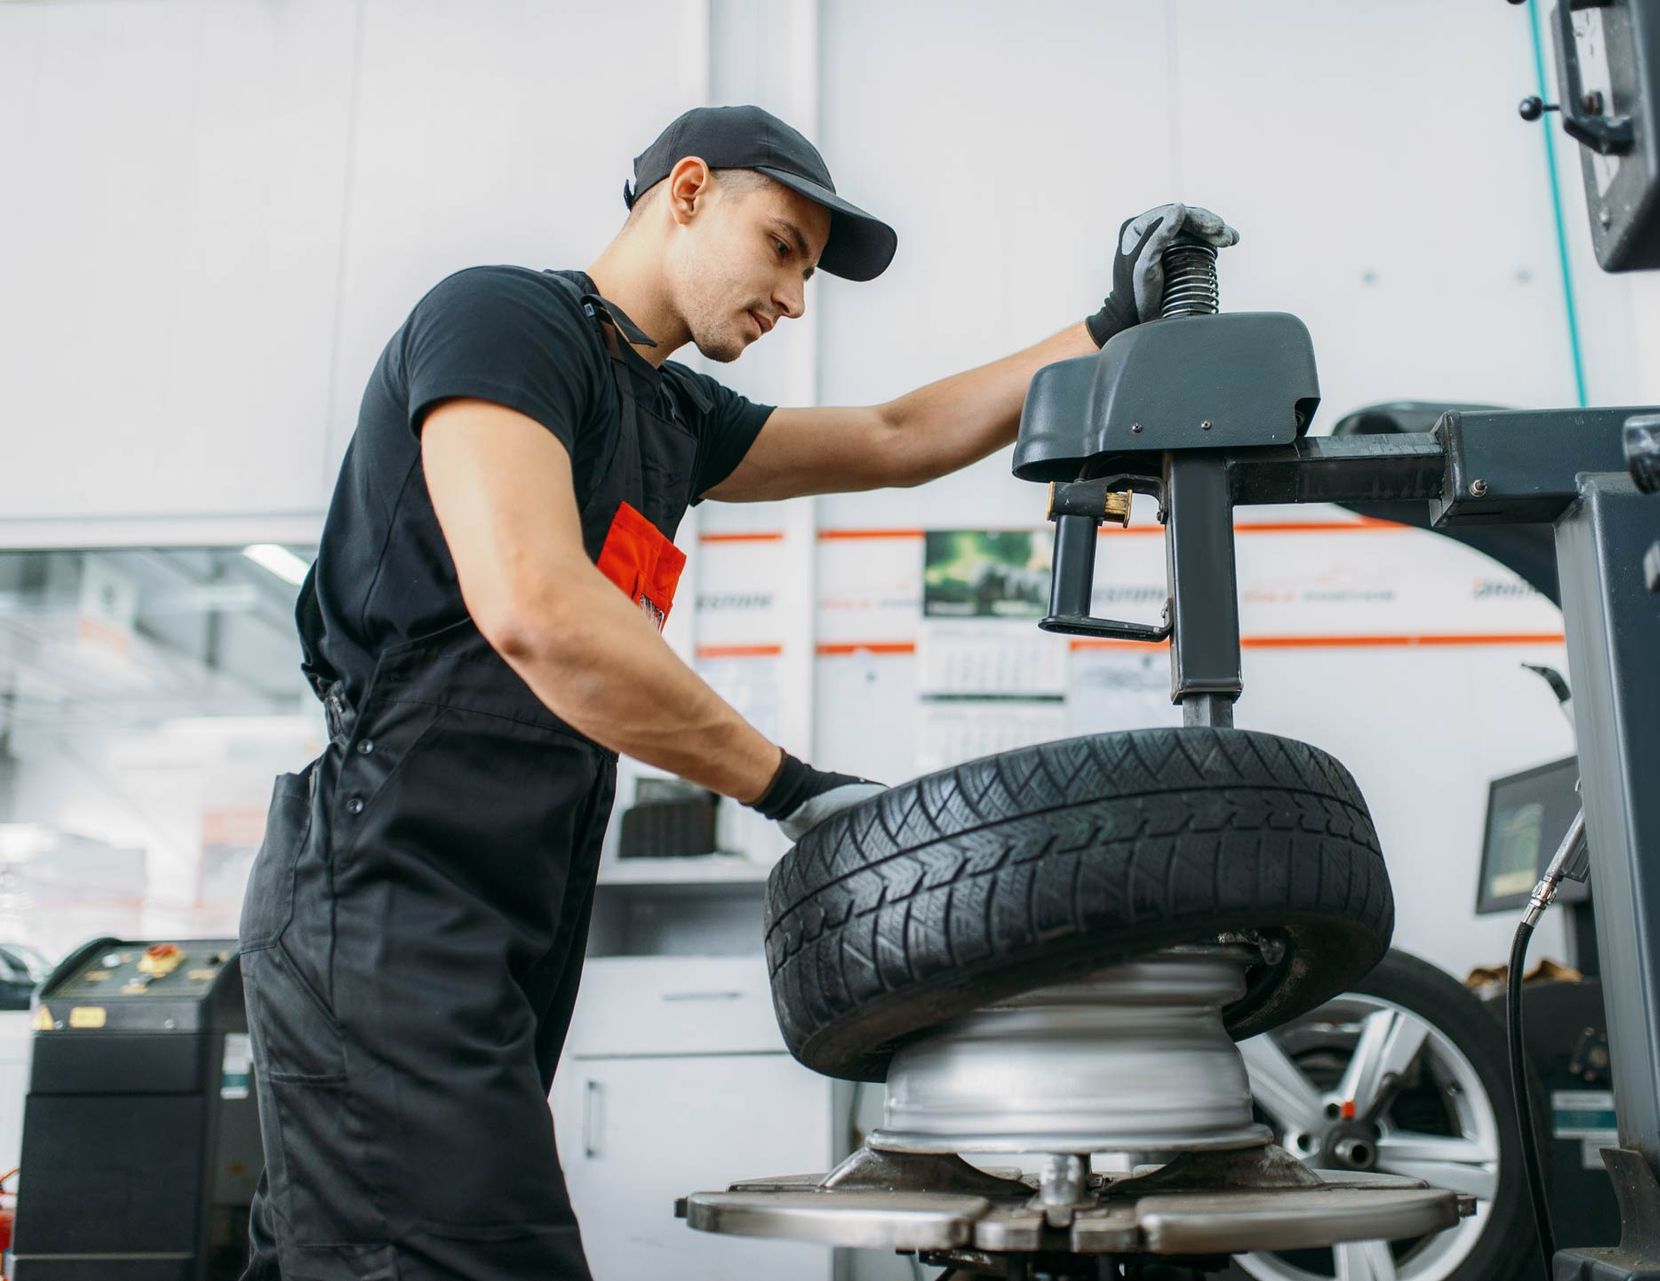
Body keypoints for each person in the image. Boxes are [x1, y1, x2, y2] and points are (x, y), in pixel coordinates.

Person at [235, 103, 1236, 1280]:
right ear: (690, 190)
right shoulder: (502, 320)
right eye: (782, 250)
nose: (795, 300)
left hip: (504, 909)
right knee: (460, 1258)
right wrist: (793, 789)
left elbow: (895, 433)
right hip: (384, 884)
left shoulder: (668, 409)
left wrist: (1108, 329)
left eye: (810, 272)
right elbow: (537, 612)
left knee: (348, 1254)